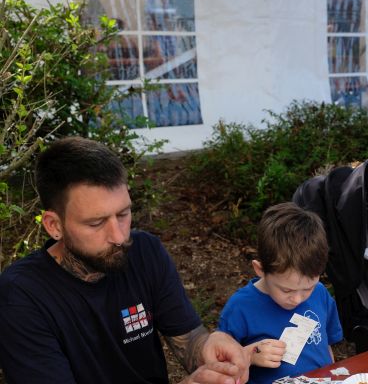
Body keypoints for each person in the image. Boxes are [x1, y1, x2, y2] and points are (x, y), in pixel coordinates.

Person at [0, 137, 250, 384]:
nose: (119, 237)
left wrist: (209, 349)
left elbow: (189, 339)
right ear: (54, 225)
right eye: (96, 223)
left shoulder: (145, 252)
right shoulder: (22, 295)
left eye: (123, 214)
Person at [218, 203, 343, 384]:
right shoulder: (240, 307)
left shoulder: (320, 294)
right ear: (260, 270)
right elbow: (220, 364)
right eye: (286, 290)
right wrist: (251, 354)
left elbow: (327, 347)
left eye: (308, 288)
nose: (298, 299)